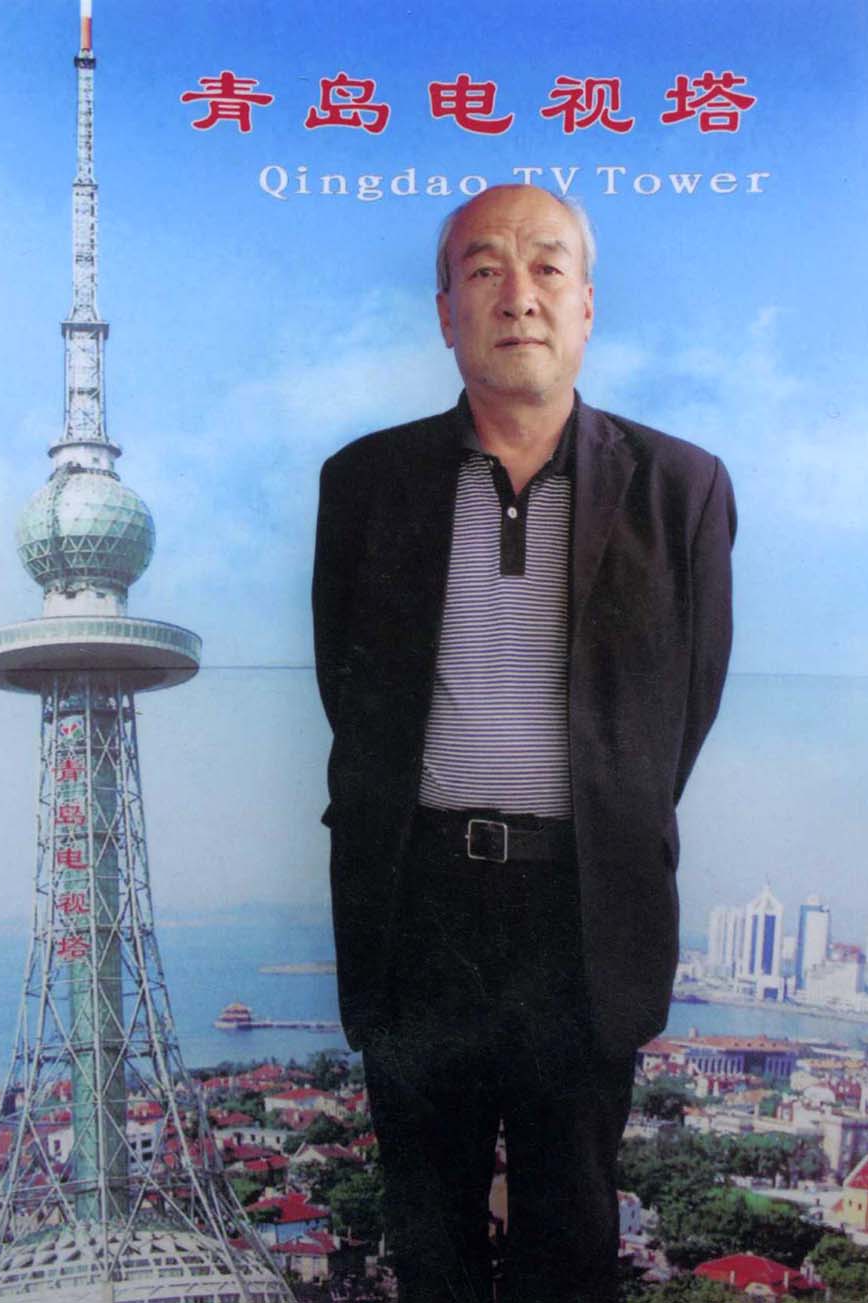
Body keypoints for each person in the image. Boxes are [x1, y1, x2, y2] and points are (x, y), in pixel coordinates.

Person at [312, 185, 735, 1303]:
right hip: (417, 908)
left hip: (583, 914)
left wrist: (596, 816)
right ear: (444, 311)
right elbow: (353, 697)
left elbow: (681, 712)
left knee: (571, 1242)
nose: (519, 295)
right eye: (484, 269)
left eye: (548, 267)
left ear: (587, 305)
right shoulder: (364, 484)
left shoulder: (680, 489)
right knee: (429, 1243)